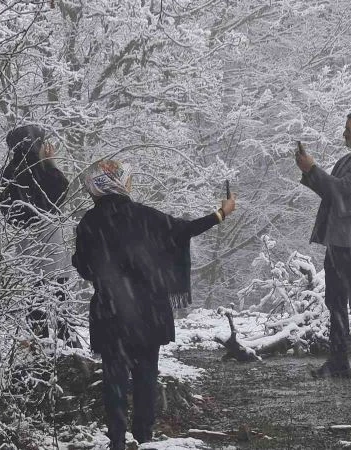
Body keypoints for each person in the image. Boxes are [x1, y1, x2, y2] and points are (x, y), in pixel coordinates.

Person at [73, 160, 236, 450]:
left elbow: (84, 269)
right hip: (149, 313)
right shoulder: (147, 217)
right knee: (146, 375)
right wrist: (221, 213)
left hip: (110, 312)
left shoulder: (89, 223)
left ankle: (117, 440)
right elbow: (186, 230)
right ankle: (144, 438)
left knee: (114, 379)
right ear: (119, 182)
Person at [296, 111, 351, 379]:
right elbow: (331, 191)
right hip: (339, 241)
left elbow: (340, 190)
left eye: (350, 129)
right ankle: (337, 359)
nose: (344, 134)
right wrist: (310, 172)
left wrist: (311, 169)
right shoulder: (347, 160)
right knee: (335, 300)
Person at [0, 124, 72, 339]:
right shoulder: (40, 169)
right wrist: (51, 164)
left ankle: (40, 355)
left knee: (36, 311)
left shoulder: (9, 172)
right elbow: (58, 194)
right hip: (51, 249)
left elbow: (7, 211)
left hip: (26, 252)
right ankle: (65, 354)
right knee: (60, 309)